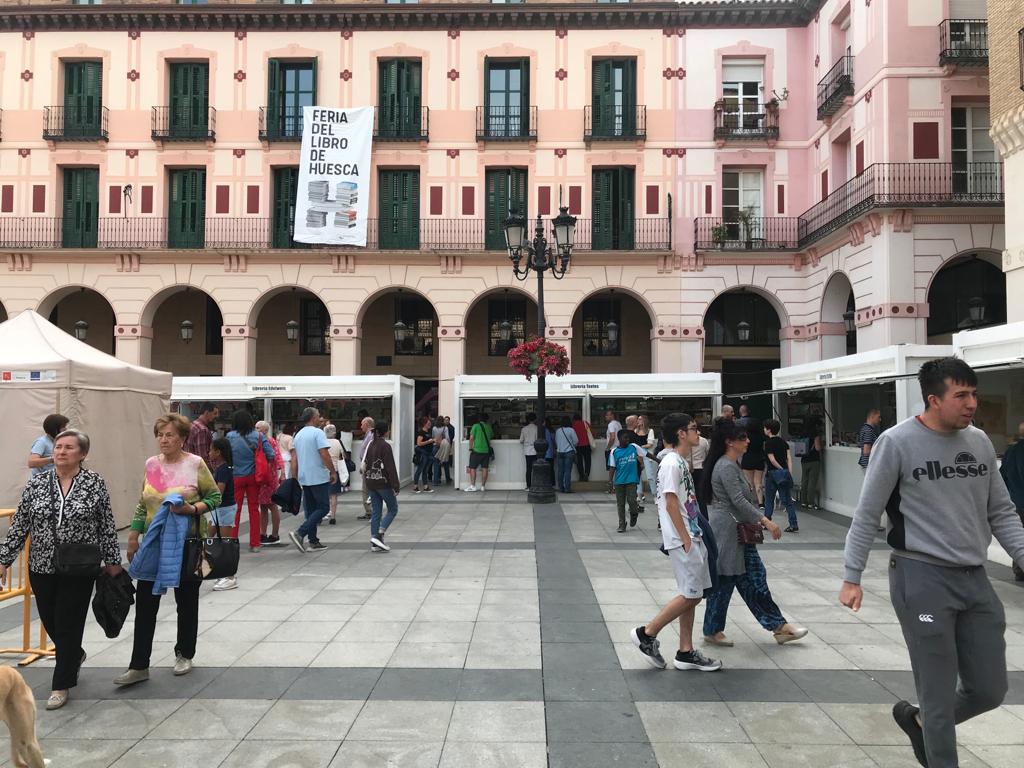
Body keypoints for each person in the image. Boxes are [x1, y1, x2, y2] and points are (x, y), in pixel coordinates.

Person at [840, 357, 1024, 768]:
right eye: (961, 395)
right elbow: (867, 513)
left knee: (990, 689)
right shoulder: (897, 442)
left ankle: (921, 722)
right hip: (919, 576)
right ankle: (934, 727)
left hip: (974, 579)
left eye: (973, 393)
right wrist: (851, 576)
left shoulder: (978, 443)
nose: (972, 403)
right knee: (939, 694)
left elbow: (1003, 513)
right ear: (933, 399)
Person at [0, 429, 121, 710]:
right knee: (51, 620)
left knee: (69, 622)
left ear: (82, 454)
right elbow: (20, 524)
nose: (61, 451)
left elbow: (105, 524)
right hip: (42, 565)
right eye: (58, 447)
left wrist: (113, 563)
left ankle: (61, 683)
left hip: (80, 567)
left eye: (68, 447)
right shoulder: (38, 484)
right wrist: (4, 559)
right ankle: (74, 654)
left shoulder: (94, 483)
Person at [115, 413, 221, 687]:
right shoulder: (151, 464)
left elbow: (215, 497)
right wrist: (133, 536)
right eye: (160, 434)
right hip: (154, 542)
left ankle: (185, 653)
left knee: (186, 601)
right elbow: (143, 503)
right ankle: (139, 665)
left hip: (188, 542)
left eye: (170, 434)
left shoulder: (195, 464)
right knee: (146, 604)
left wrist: (192, 509)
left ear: (182, 438)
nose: (164, 439)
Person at [700, 417, 807, 647]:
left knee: (750, 579)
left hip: (736, 532)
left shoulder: (728, 464)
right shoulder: (726, 466)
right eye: (743, 438)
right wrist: (766, 521)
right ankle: (715, 629)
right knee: (730, 581)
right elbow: (738, 500)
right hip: (729, 533)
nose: (748, 441)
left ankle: (779, 626)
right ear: (730, 442)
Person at [630, 413, 721, 672]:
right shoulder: (671, 463)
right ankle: (647, 633)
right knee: (691, 594)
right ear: (681, 433)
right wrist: (685, 539)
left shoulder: (676, 461)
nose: (698, 434)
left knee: (693, 593)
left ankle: (685, 650)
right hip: (684, 538)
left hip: (690, 536)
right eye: (694, 429)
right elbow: (670, 503)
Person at [225, 410, 276, 553]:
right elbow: (271, 454)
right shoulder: (258, 436)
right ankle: (255, 543)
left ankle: (232, 542)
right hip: (254, 477)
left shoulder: (229, 436)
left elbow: (225, 455)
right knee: (254, 509)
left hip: (236, 476)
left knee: (236, 509)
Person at [288, 407, 337, 553]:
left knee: (310, 510)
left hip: (304, 476)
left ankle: (313, 541)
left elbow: (294, 458)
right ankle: (300, 532)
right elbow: (324, 453)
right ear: (312, 418)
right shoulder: (317, 433)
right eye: (318, 416)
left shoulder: (299, 435)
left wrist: (295, 476)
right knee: (323, 507)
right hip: (318, 476)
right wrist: (332, 471)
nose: (320, 418)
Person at [364, 421, 400, 553]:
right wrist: (395, 485)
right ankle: (380, 533)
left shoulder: (371, 444)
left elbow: (366, 462)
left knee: (376, 512)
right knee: (393, 509)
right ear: (386, 431)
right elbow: (390, 467)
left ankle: (375, 542)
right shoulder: (385, 446)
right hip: (383, 482)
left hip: (371, 481)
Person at [207, 437, 239, 591]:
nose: (209, 453)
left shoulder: (223, 470)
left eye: (211, 450)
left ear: (218, 452)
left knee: (225, 543)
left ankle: (229, 577)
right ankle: (216, 570)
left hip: (225, 509)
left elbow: (219, 492)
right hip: (219, 509)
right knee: (208, 538)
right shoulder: (221, 468)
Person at [762, 419, 799, 533]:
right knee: (787, 500)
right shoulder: (784, 442)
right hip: (784, 474)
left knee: (769, 499)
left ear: (768, 430)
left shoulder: (768, 443)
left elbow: (772, 460)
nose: (764, 430)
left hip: (772, 473)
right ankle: (793, 524)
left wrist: (779, 468)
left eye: (765, 428)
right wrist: (787, 471)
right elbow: (789, 459)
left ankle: (767, 522)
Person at [1000, 422, 1024, 581]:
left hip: (1017, 502)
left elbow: (1002, 477)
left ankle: (1019, 571)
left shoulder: (1011, 452)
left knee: (1019, 537)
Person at [610, 430, 645, 532]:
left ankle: (634, 514)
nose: (627, 440)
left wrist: (658, 460)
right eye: (625, 438)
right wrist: (610, 481)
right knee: (620, 504)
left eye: (628, 438)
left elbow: (647, 454)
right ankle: (622, 524)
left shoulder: (633, 447)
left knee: (631, 500)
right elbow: (612, 467)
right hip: (619, 481)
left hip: (632, 480)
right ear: (619, 439)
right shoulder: (614, 451)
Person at [255, 420, 284, 542]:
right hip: (262, 477)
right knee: (263, 506)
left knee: (272, 505)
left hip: (269, 477)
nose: (255, 430)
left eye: (258, 428)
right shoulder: (258, 441)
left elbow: (277, 457)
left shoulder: (270, 441)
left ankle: (275, 534)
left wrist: (282, 472)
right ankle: (263, 533)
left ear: (265, 430)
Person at [737, 407, 766, 508]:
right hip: (759, 459)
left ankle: (750, 502)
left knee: (749, 483)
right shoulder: (761, 437)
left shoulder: (746, 438)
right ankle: (761, 503)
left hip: (748, 459)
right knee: (758, 482)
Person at [28, 413, 69, 478]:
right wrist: (52, 459)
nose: (66, 429)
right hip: (41, 483)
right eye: (63, 427)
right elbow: (31, 463)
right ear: (55, 429)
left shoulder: (57, 442)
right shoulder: (42, 442)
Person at [465, 413, 493, 492]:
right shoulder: (488, 427)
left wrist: (470, 448)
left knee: (472, 468)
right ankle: (483, 486)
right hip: (486, 451)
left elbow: (471, 438)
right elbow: (491, 436)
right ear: (486, 419)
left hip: (476, 450)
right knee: (485, 468)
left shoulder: (475, 426)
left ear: (479, 419)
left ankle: (473, 486)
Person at [184, 402, 218, 470]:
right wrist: (212, 470)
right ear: (207, 413)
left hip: (189, 467)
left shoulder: (193, 424)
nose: (217, 416)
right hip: (198, 471)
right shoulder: (202, 430)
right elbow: (202, 456)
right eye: (215, 413)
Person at [800, 417, 823, 510]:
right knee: (812, 482)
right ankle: (811, 503)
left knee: (804, 481)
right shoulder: (815, 434)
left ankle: (803, 502)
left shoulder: (802, 433)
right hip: (814, 460)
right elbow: (817, 448)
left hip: (804, 459)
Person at [553, 416, 579, 493]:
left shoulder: (558, 430)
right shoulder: (571, 430)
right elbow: (576, 441)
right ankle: (567, 488)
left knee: (560, 471)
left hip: (559, 452)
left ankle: (561, 488)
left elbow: (556, 442)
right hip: (569, 452)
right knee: (567, 471)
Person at [688, 425, 710, 513]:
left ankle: (692, 513)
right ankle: (705, 515)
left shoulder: (688, 441)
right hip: (701, 468)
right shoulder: (704, 441)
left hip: (691, 469)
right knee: (701, 495)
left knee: (690, 494)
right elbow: (707, 453)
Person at [324, 423, 344, 523]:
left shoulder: (322, 441)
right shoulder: (337, 442)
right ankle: (333, 517)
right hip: (335, 470)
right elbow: (342, 455)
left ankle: (323, 513)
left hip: (324, 470)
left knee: (323, 494)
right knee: (333, 495)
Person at [635, 415, 657, 503]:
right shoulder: (635, 431)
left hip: (647, 455)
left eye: (640, 419)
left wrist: (640, 447)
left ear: (644, 420)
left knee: (650, 476)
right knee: (638, 476)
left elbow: (650, 444)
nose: (638, 420)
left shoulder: (650, 431)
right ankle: (639, 495)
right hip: (638, 456)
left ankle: (655, 495)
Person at [357, 415, 375, 520]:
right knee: (366, 489)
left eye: (362, 424)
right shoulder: (369, 435)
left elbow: (369, 451)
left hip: (368, 466)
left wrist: (366, 465)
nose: (360, 427)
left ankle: (370, 511)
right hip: (366, 465)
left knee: (367, 489)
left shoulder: (371, 435)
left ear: (367, 424)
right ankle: (369, 510)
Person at [414, 417, 436, 493]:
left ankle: (425, 487)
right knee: (419, 470)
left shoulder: (428, 432)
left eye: (430, 423)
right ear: (424, 424)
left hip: (428, 453)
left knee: (425, 471)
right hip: (423, 454)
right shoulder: (421, 432)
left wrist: (433, 441)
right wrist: (429, 441)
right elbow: (419, 443)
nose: (430, 424)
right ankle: (415, 486)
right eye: (428, 423)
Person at [571, 413, 593, 482]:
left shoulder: (573, 425)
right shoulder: (585, 423)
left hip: (577, 446)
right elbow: (591, 432)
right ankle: (586, 474)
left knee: (579, 462)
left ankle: (581, 475)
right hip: (586, 445)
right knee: (587, 461)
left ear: (574, 419)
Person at [604, 410, 622, 492]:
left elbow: (612, 437)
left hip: (612, 449)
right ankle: (616, 487)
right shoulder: (618, 424)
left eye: (607, 415)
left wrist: (608, 447)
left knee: (611, 469)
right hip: (619, 448)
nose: (606, 417)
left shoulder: (611, 424)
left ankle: (611, 488)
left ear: (612, 415)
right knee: (618, 468)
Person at [519, 413, 539, 489]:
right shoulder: (537, 428)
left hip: (527, 451)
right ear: (535, 419)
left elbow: (521, 440)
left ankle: (528, 486)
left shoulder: (524, 429)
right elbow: (538, 440)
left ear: (528, 419)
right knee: (536, 468)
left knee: (528, 469)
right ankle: (536, 485)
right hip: (535, 451)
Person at [432, 416, 452, 487]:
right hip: (443, 447)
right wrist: (448, 445)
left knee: (436, 464)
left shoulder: (434, 428)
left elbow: (433, 437)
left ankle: (436, 481)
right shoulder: (445, 428)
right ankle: (448, 478)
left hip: (435, 446)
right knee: (445, 462)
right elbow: (447, 438)